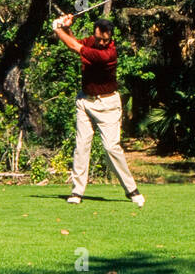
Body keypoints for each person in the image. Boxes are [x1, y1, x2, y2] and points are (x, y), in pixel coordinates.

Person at [52, 15, 145, 207]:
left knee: (111, 148)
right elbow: (77, 42)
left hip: (108, 105)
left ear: (111, 37)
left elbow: (74, 48)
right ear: (94, 35)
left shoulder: (108, 54)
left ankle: (131, 190)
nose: (102, 42)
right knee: (81, 146)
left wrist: (57, 29)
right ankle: (77, 191)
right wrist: (68, 28)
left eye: (105, 39)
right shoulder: (92, 43)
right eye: (99, 39)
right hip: (85, 101)